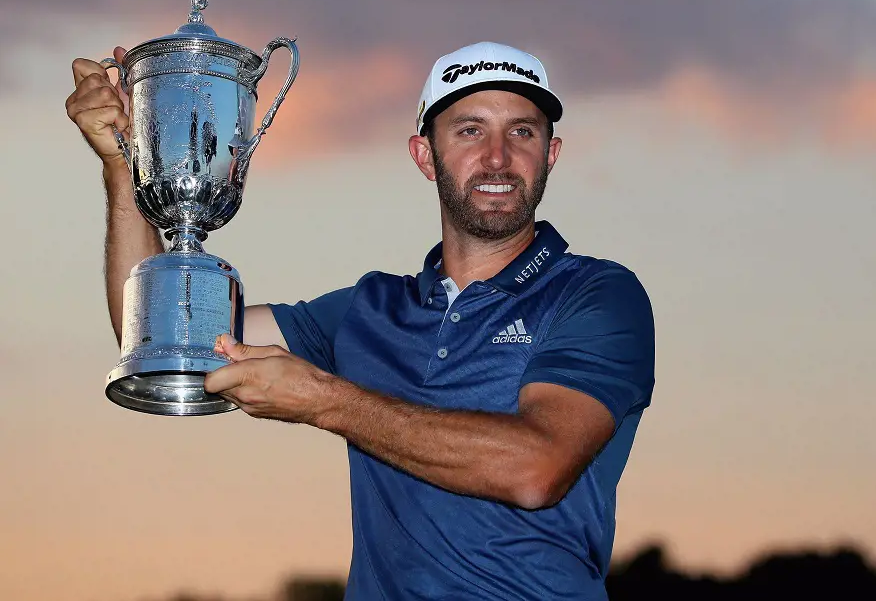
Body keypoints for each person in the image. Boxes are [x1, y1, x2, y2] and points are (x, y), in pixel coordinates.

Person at [66, 40, 656, 600]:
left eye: (521, 131)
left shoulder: (598, 294)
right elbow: (158, 334)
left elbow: (537, 468)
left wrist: (324, 400)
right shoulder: (368, 309)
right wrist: (123, 169)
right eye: (470, 130)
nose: (497, 157)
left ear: (550, 154)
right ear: (425, 155)